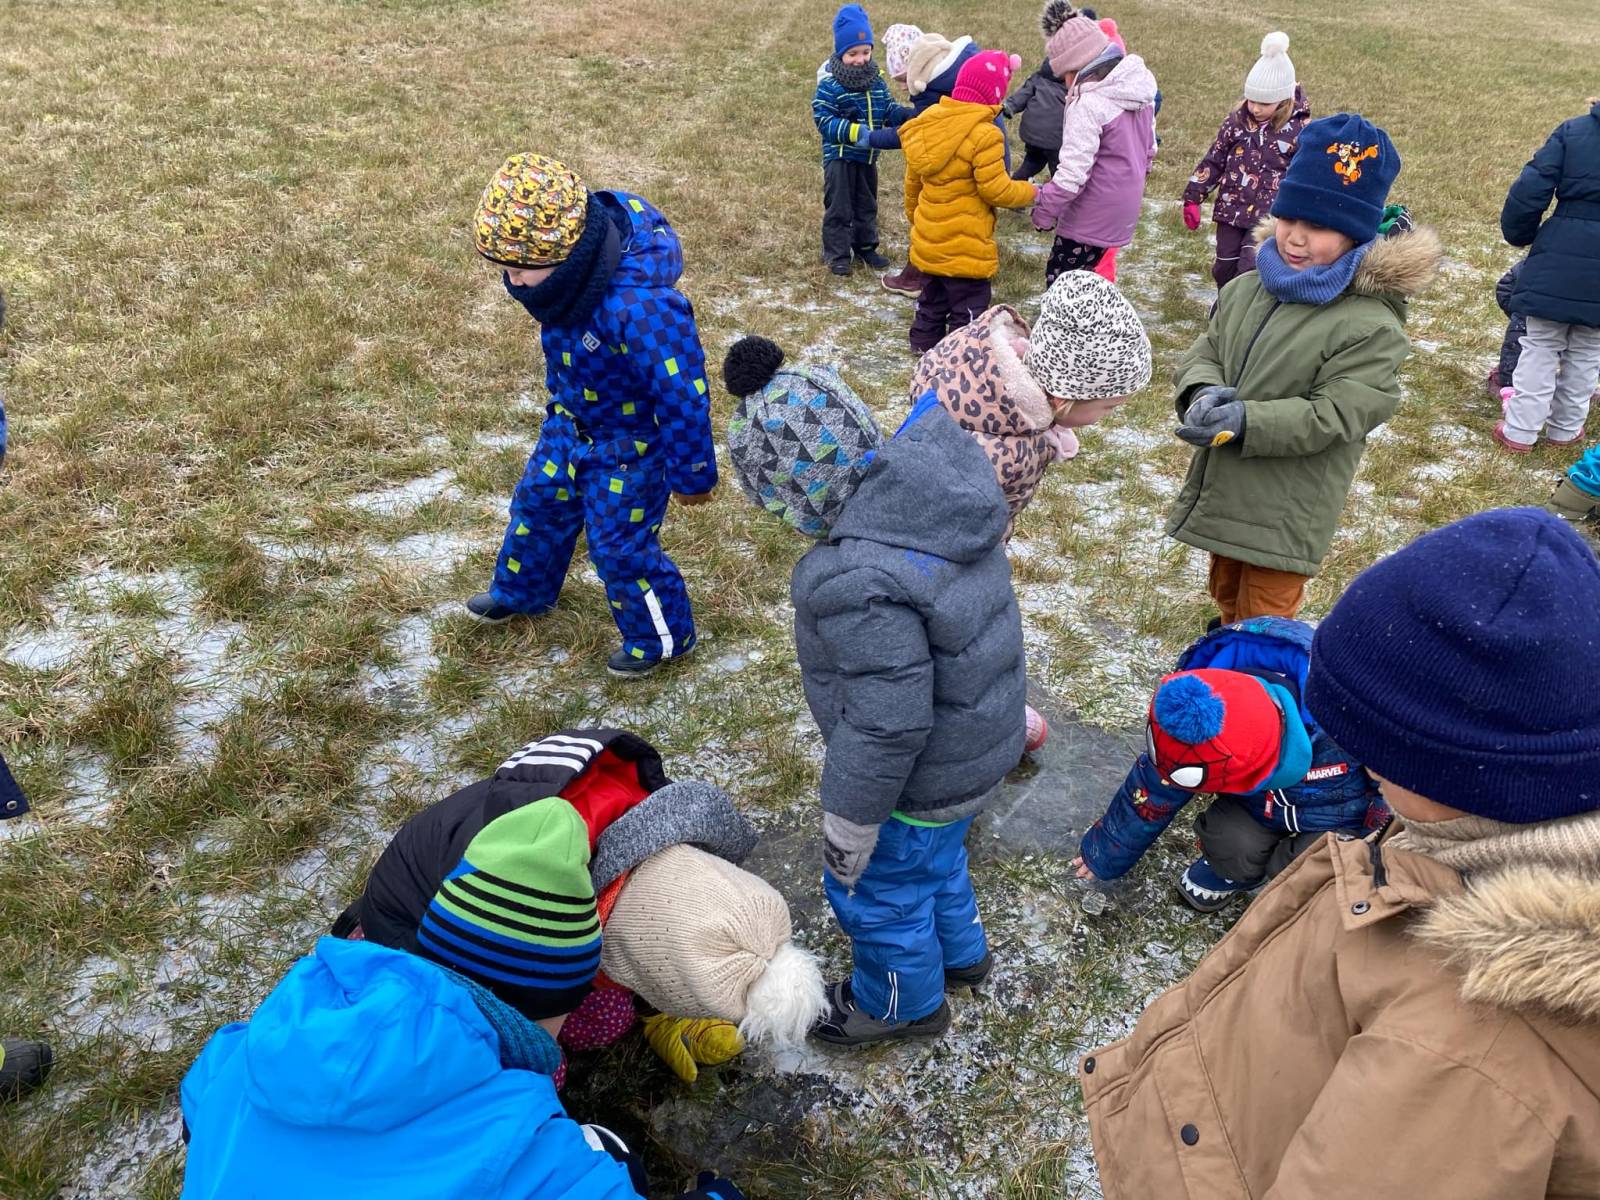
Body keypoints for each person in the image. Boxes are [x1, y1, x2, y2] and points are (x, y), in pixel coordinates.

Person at [1080, 507, 1600, 1196]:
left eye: (1375, 749)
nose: (1362, 757)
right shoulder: (1453, 821)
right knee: (1235, 842)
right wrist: (1107, 852)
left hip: (1333, 830)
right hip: (1284, 851)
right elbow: (1160, 782)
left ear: (1461, 773)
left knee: (1298, 864)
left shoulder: (1464, 1044)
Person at [180, 796, 746, 1198]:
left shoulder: (271, 1035)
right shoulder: (524, 1151)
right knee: (614, 1156)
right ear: (553, 1006)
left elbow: (201, 1091)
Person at [723, 338, 1024, 1046]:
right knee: (939, 861)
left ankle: (900, 1004)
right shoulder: (935, 503)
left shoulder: (856, 582)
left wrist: (852, 822)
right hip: (976, 748)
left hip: (921, 778)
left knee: (882, 891)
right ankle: (962, 955)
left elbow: (887, 722)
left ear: (790, 499)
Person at [337, 728, 825, 1081]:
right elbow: (510, 992)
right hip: (416, 941)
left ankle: (651, 1007)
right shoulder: (521, 907)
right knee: (539, 1062)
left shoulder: (646, 841)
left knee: (604, 1015)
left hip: (505, 938)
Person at [1165, 114, 1440, 624]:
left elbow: (1338, 413)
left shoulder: (1371, 325)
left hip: (1287, 509)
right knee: (1225, 590)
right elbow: (1208, 349)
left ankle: (1257, 668)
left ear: (1355, 234)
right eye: (1290, 219)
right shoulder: (1248, 287)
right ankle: (1227, 649)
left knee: (1265, 617)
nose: (1296, 238)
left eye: (1319, 228)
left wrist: (1247, 421)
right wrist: (1201, 390)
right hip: (1228, 489)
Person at [466, 154, 716, 679]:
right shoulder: (562, 285)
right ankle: (522, 590)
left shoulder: (641, 308)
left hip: (629, 448)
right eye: (504, 268)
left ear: (568, 254)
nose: (513, 281)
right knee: (537, 507)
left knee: (618, 547)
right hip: (568, 426)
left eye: (520, 267)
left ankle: (662, 639)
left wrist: (692, 474)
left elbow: (682, 392)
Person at [1072, 616, 1386, 910]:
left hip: (1339, 817)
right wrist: (1105, 852)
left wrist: (1374, 837)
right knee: (1228, 840)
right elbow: (1154, 789)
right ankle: (1235, 873)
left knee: (1320, 864)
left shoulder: (1350, 716)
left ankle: (1300, 888)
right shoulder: (1193, 733)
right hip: (1255, 810)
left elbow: (1393, 783)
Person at [909, 271, 1152, 535]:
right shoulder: (1007, 451)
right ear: (1065, 398)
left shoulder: (978, 370)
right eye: (1108, 407)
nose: (1107, 415)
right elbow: (970, 530)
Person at [901, 50, 1039, 353]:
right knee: (969, 307)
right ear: (994, 96)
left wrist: (918, 222)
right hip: (967, 246)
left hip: (929, 240)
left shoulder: (928, 123)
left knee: (931, 300)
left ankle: (923, 345)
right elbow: (996, 190)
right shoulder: (986, 135)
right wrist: (1032, 193)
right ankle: (963, 354)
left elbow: (913, 184)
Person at [1495, 98, 1600, 452]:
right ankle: (1565, 430)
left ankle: (1519, 431)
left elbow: (1531, 188)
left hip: (1560, 253)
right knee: (1588, 350)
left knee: (1540, 344)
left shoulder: (1574, 131)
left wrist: (1520, 232)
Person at [1030, 9, 1158, 285]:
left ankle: (1068, 316)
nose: (1065, 83)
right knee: (1089, 282)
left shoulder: (1089, 104)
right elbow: (1150, 149)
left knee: (1063, 287)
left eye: (1065, 75)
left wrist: (1044, 210)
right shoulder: (1139, 90)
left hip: (1088, 216)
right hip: (1123, 209)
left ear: (1078, 67)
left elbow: (1072, 175)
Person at [1181, 33, 1311, 292]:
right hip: (1231, 209)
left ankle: (1238, 308)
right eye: (1251, 100)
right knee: (1224, 267)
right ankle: (1225, 302)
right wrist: (1193, 197)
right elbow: (1215, 158)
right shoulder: (1236, 123)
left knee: (1249, 268)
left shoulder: (1300, 131)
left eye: (1264, 103)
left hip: (1269, 216)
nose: (1255, 108)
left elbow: (1305, 174)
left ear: (1284, 100)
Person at [874, 33, 983, 297]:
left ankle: (917, 277)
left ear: (918, 71)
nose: (903, 87)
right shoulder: (949, 83)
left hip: (948, 177)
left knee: (931, 221)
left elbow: (916, 132)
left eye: (904, 79)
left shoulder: (933, 95)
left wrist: (869, 138)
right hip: (972, 173)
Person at [813, 4, 915, 276]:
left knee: (866, 203)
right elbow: (824, 120)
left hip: (868, 156)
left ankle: (865, 247)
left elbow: (886, 108)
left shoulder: (875, 81)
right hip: (840, 158)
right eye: (853, 53)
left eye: (865, 52)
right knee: (839, 206)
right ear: (840, 52)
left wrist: (904, 115)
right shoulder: (830, 84)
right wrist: (854, 132)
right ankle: (837, 254)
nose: (860, 59)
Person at [1002, 9, 1069, 183]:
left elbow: (1023, 94)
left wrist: (1009, 106)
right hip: (1056, 139)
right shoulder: (1071, 85)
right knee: (1059, 170)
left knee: (1033, 161)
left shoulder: (1038, 78)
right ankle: (1057, 195)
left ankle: (1015, 186)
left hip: (1032, 133)